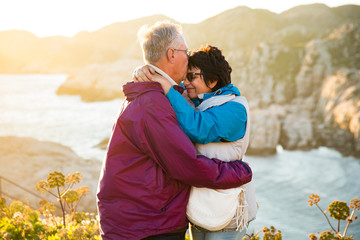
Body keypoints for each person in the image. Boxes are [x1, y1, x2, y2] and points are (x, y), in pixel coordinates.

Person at [96, 21, 252, 240]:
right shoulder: (153, 104)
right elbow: (187, 165)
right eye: (185, 52)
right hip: (146, 225)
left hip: (146, 220)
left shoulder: (159, 97)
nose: (187, 59)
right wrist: (239, 172)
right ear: (171, 54)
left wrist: (154, 76)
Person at [134, 45, 257, 240]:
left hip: (227, 212)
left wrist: (166, 87)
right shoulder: (197, 100)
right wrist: (146, 71)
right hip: (200, 208)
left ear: (213, 80)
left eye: (192, 77)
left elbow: (198, 128)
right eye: (185, 77)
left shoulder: (235, 108)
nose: (186, 82)